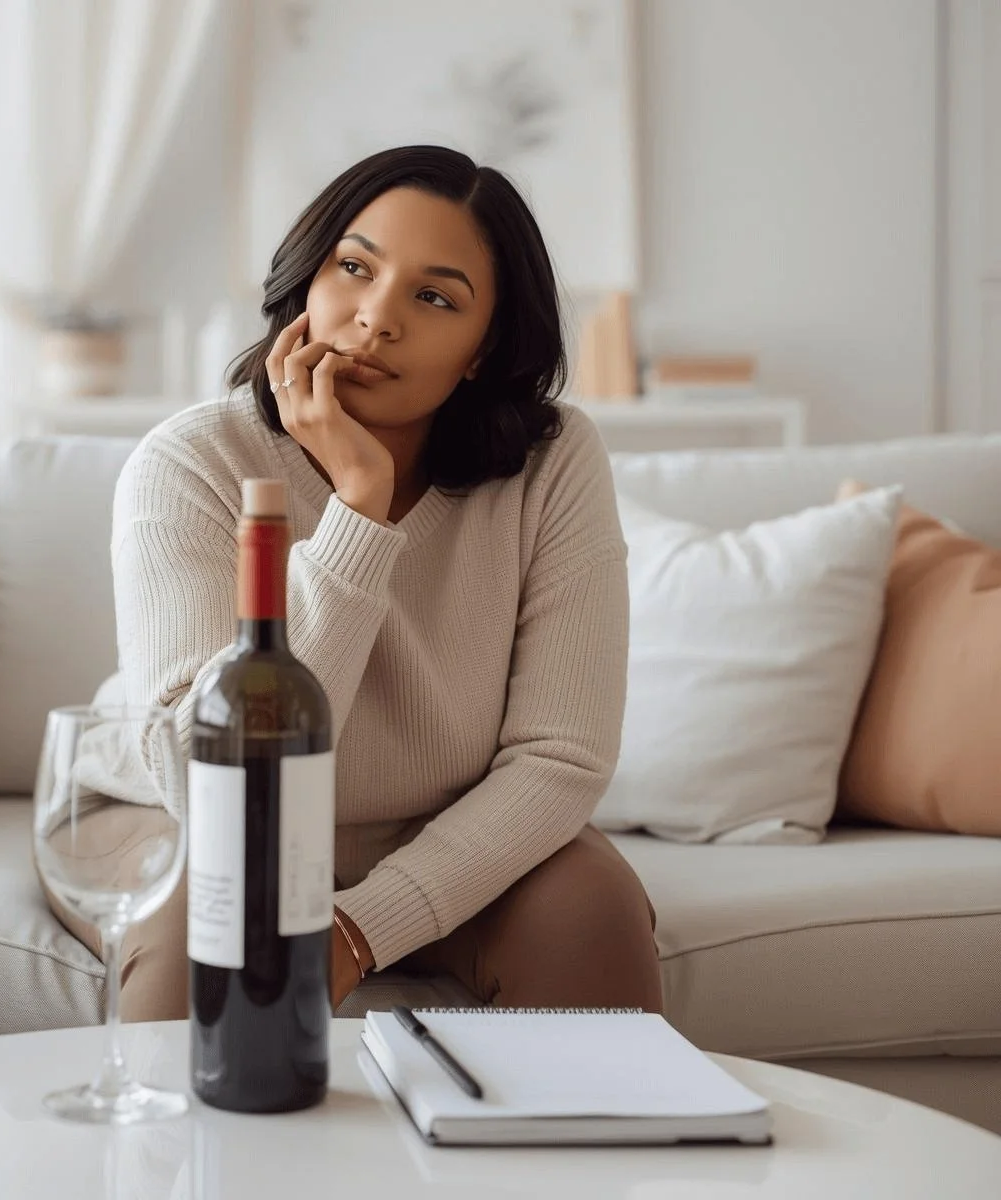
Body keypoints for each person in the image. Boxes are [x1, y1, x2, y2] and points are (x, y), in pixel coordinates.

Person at [47, 144, 662, 1019]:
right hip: (187, 814)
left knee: (591, 916)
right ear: (308, 280)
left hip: (442, 819)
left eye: (435, 297)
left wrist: (360, 928)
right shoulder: (192, 460)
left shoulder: (553, 463)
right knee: (216, 930)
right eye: (353, 269)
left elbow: (560, 759)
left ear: (484, 349)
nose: (376, 320)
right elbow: (207, 781)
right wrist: (360, 512)